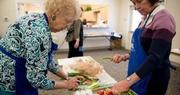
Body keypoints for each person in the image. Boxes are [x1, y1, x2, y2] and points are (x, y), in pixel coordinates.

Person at [0, 0, 84, 95]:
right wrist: (66, 84)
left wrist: (67, 77)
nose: (67, 27)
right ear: (56, 12)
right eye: (67, 21)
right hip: (11, 80)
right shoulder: (40, 34)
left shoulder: (36, 18)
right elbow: (36, 79)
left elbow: (44, 59)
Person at [111, 0, 176, 95]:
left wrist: (128, 81)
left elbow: (155, 58)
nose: (136, 7)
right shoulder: (146, 19)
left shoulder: (163, 19)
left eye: (139, 1)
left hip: (152, 78)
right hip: (137, 74)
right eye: (134, 3)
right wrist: (125, 56)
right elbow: (141, 49)